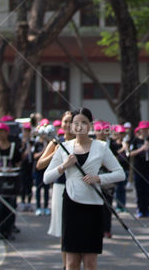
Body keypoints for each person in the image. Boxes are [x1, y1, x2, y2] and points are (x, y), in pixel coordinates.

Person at [43, 107, 125, 270]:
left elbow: (120, 173)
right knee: (72, 262)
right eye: (76, 123)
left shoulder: (100, 146)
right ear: (71, 126)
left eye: (84, 123)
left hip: (93, 206)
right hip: (71, 206)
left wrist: (99, 178)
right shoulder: (64, 147)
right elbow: (46, 178)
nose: (79, 126)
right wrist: (64, 166)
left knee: (90, 261)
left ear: (90, 125)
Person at [37, 110, 74, 245]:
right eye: (65, 121)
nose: (68, 125)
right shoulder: (56, 142)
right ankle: (66, 265)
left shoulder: (81, 142)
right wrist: (55, 153)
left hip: (78, 186)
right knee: (63, 230)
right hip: (60, 186)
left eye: (71, 122)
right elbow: (40, 164)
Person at [0, 122, 23, 240]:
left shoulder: (14, 148)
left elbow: (19, 163)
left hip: (11, 181)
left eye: (2, 132)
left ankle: (9, 229)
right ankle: (0, 229)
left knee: (11, 205)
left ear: (7, 133)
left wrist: (12, 169)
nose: (0, 134)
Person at [129, 121, 149, 218]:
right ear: (140, 130)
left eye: (146, 129)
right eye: (143, 129)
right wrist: (141, 149)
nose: (145, 131)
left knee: (148, 191)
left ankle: (147, 209)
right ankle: (140, 209)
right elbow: (130, 154)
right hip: (138, 170)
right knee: (139, 190)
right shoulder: (135, 140)